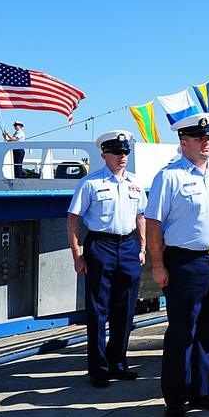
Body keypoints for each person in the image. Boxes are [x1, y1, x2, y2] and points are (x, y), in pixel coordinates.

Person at [145, 115, 209, 417]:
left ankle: (202, 390)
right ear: (183, 142)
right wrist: (158, 265)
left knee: (208, 331)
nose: (207, 142)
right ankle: (175, 399)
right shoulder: (169, 176)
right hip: (185, 262)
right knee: (181, 333)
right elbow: (153, 223)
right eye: (199, 137)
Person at [67, 130, 147, 388]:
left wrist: (142, 247)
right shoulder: (90, 183)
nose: (122, 156)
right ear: (104, 155)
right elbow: (73, 219)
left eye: (125, 152)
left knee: (125, 310)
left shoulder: (135, 183)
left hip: (128, 247)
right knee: (98, 310)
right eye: (117, 152)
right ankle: (99, 368)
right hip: (100, 245)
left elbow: (140, 217)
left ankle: (118, 363)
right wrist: (77, 255)